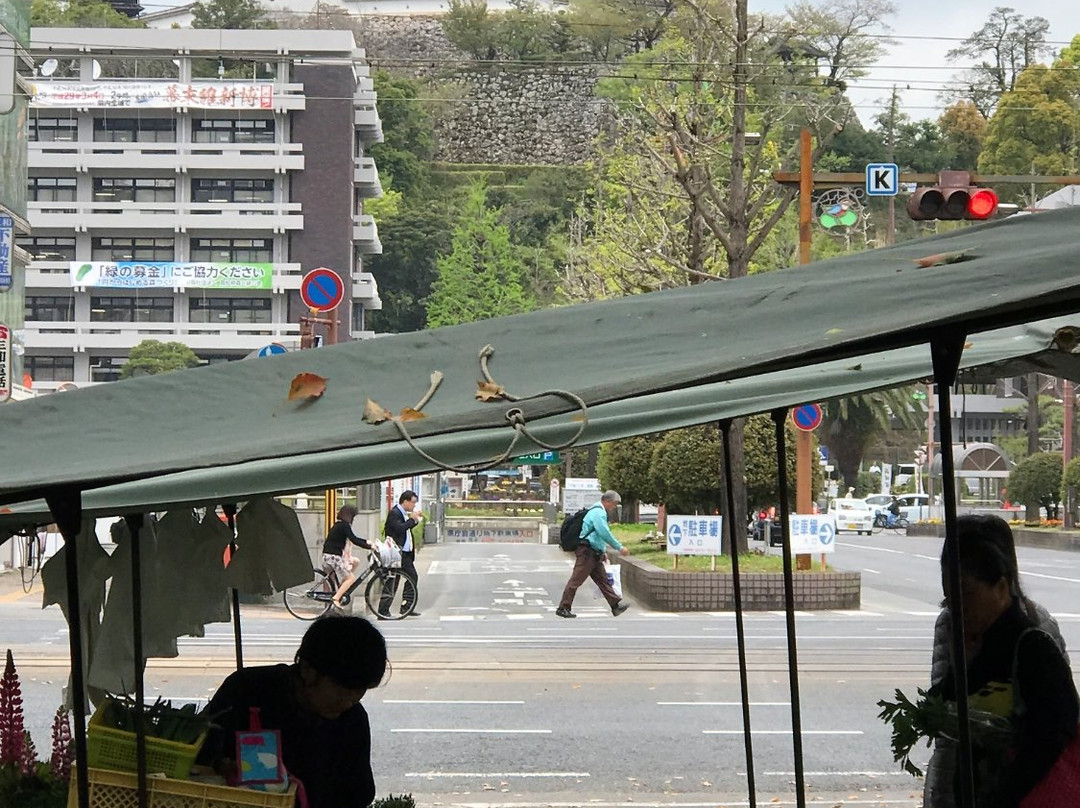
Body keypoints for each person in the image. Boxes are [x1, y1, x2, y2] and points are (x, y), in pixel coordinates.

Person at [926, 515, 1077, 808]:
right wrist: (962, 667)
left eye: (967, 594)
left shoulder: (1033, 645)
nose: (958, 608)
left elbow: (1054, 734)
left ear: (1002, 587)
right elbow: (943, 709)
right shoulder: (965, 637)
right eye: (950, 598)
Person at [200, 615, 388, 808]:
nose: (349, 703)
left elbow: (359, 793)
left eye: (360, 692)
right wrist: (220, 765)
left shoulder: (353, 719)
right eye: (342, 691)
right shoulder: (247, 689)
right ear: (307, 670)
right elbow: (199, 754)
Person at [556, 490, 630, 619]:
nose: (614, 507)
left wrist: (603, 551)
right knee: (576, 580)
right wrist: (619, 547)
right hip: (587, 552)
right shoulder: (598, 513)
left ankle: (615, 605)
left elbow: (597, 536)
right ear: (607, 501)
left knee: (603, 580)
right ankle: (563, 607)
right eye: (614, 504)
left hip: (594, 552)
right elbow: (603, 532)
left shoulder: (597, 511)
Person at [382, 490, 422, 617]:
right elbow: (399, 528)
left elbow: (405, 529)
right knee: (394, 580)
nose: (414, 505)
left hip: (404, 553)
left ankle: (406, 606)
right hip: (398, 553)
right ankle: (385, 609)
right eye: (413, 502)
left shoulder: (402, 513)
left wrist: (414, 521)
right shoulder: (395, 513)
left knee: (404, 578)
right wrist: (412, 520)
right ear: (405, 501)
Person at [323, 505, 371, 609]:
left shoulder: (339, 525)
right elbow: (354, 539)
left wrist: (366, 542)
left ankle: (342, 587)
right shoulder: (344, 526)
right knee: (351, 578)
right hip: (333, 558)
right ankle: (336, 598)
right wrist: (369, 546)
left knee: (355, 561)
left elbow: (354, 538)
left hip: (329, 556)